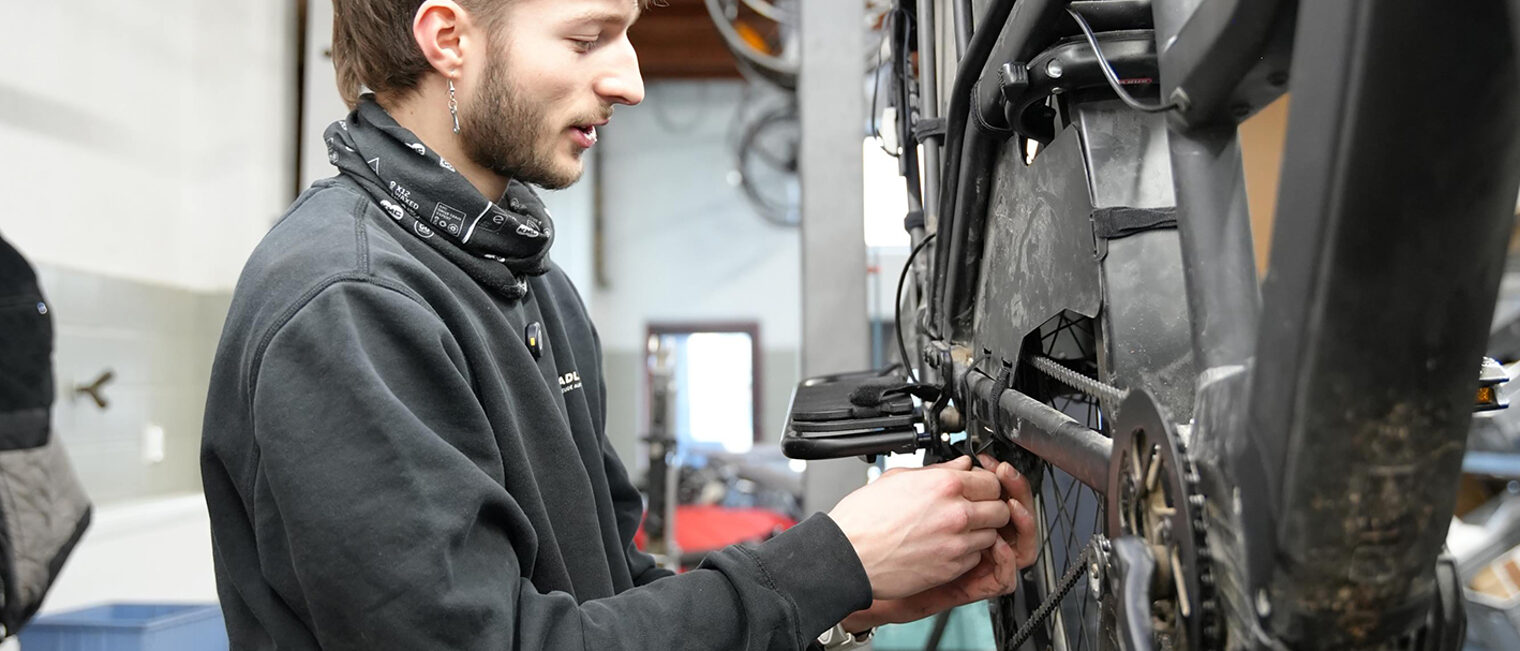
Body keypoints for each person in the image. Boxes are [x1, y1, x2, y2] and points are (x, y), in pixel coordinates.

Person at [200, 0, 1039, 648]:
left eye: (628, 33)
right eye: (587, 37)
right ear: (448, 39)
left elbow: (616, 597)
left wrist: (850, 595)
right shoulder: (350, 300)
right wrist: (824, 558)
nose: (629, 79)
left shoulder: (531, 284)